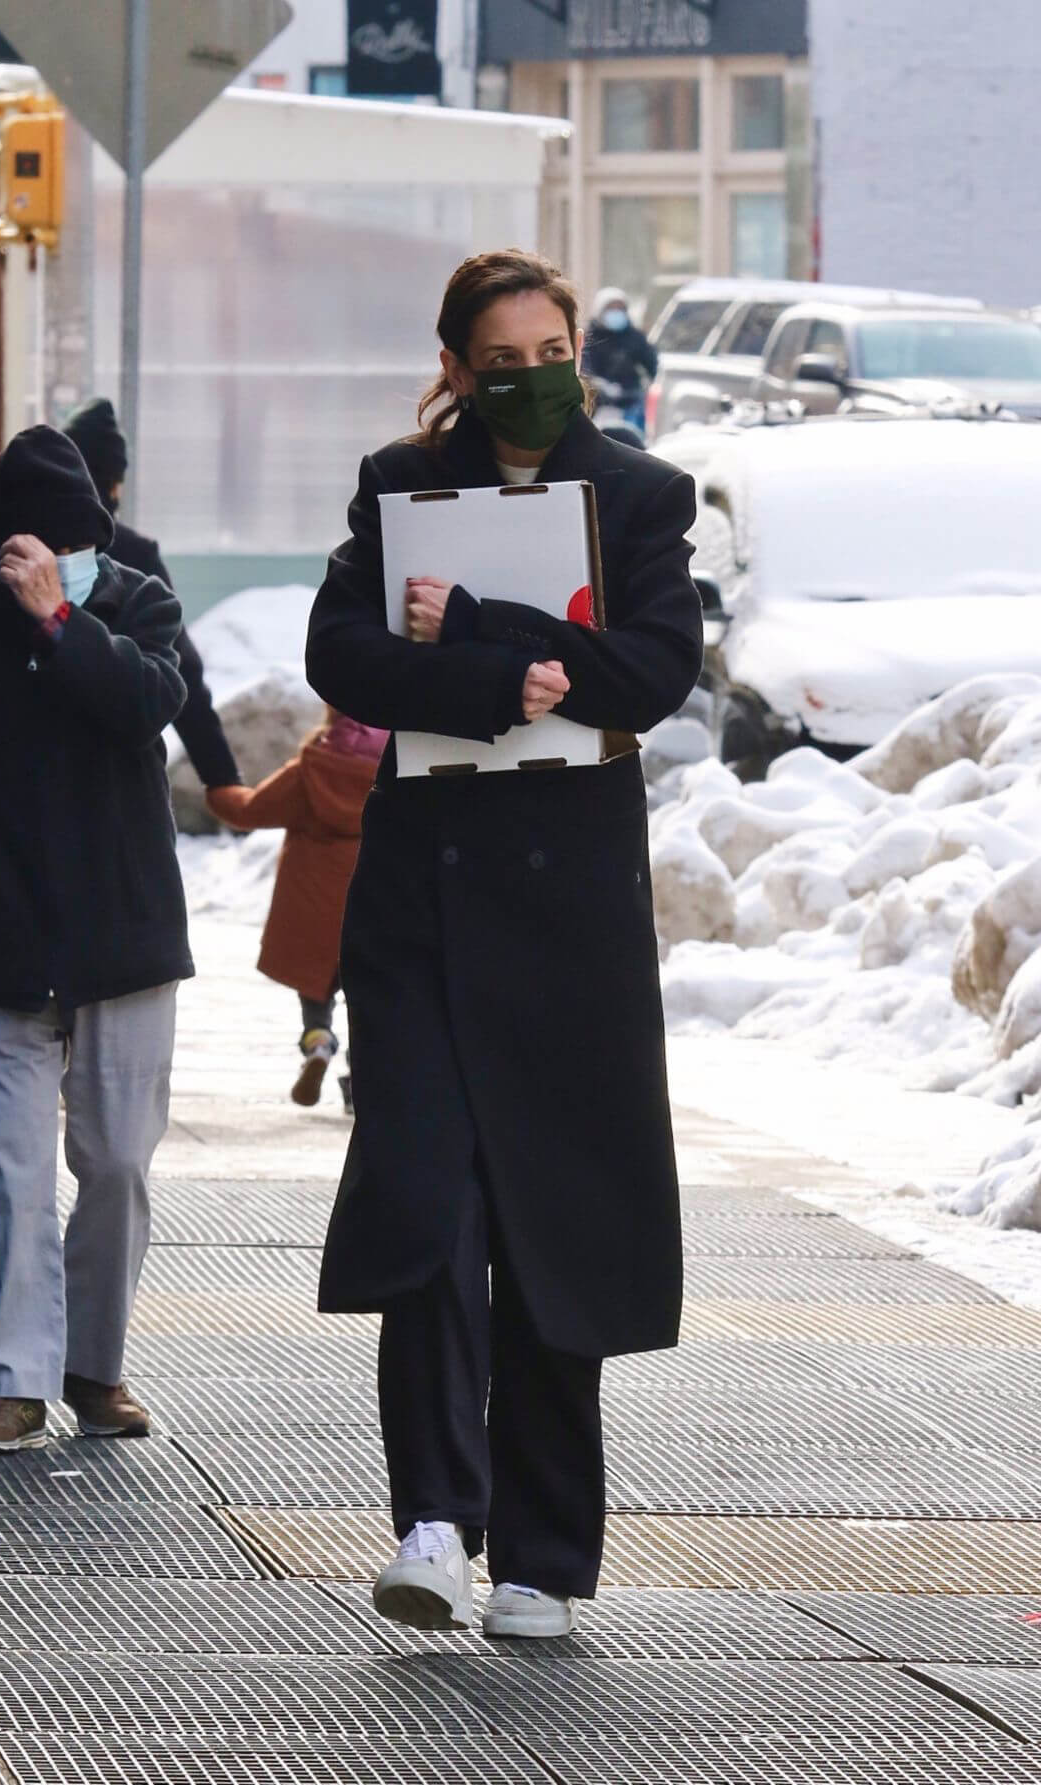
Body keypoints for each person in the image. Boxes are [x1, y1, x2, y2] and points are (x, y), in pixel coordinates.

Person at [304, 250, 703, 1639]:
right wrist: (501, 676)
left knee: (552, 1227)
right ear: (461, 367)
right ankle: (431, 1518)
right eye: (506, 350)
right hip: (420, 910)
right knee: (431, 1208)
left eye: (556, 343)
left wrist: (484, 630)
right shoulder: (399, 486)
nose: (534, 369)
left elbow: (650, 671)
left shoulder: (643, 496)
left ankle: (541, 1553)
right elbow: (343, 657)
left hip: (572, 926)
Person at [0, 425, 193, 1456]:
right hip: (3, 939)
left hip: (126, 932)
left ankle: (96, 1366)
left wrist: (63, 622)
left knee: (118, 1166)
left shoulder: (131, 601)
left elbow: (152, 700)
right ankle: (11, 1380)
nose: (58, 564)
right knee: (9, 1168)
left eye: (73, 549)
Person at [206, 708, 387, 1111]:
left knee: (316, 995)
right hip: (372, 905)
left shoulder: (313, 767)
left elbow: (248, 810)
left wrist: (216, 785)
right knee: (367, 1002)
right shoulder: (394, 765)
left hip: (312, 908)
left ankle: (318, 1043)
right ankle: (362, 1080)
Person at [62, 397, 240, 794]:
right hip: (117, 787)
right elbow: (182, 671)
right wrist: (221, 779)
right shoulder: (135, 555)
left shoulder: (4, 554)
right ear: (111, 483)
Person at [581, 286, 658, 438]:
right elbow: (584, 367)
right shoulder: (590, 337)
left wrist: (652, 385)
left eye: (620, 309)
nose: (616, 313)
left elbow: (653, 364)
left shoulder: (633, 336)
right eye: (611, 308)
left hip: (631, 399)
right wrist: (600, 385)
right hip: (599, 402)